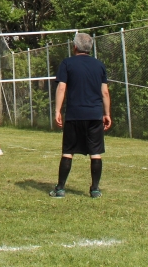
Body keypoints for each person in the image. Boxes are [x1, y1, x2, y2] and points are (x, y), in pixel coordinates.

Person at [50, 33, 112, 199]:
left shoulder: (67, 63)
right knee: (96, 153)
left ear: (75, 46)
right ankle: (95, 190)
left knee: (68, 151)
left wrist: (57, 110)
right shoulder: (99, 65)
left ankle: (60, 189)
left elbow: (62, 88)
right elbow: (104, 92)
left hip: (74, 114)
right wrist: (106, 113)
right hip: (94, 115)